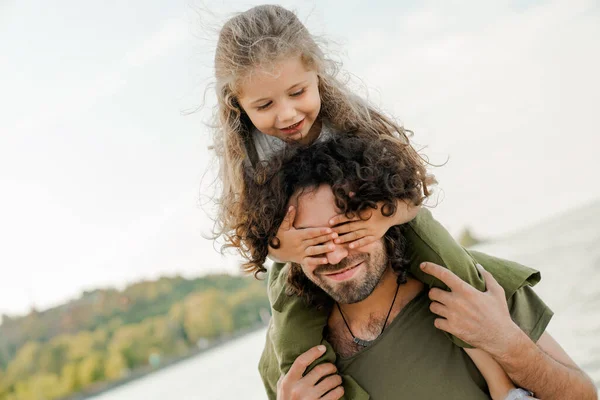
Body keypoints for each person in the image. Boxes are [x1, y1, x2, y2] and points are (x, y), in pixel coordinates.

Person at [209, 4, 595, 399]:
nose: (287, 114)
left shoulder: (485, 299)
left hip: (398, 217)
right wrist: (284, 247)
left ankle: (499, 378)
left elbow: (411, 193)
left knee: (452, 271)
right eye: (315, 237)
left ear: (317, 76)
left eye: (346, 223)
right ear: (239, 104)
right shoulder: (246, 159)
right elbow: (252, 233)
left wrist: (505, 341)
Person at [239, 136, 597, 399]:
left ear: (381, 214)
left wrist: (507, 342)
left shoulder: (477, 293)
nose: (335, 257)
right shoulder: (292, 371)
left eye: (347, 232)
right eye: (314, 244)